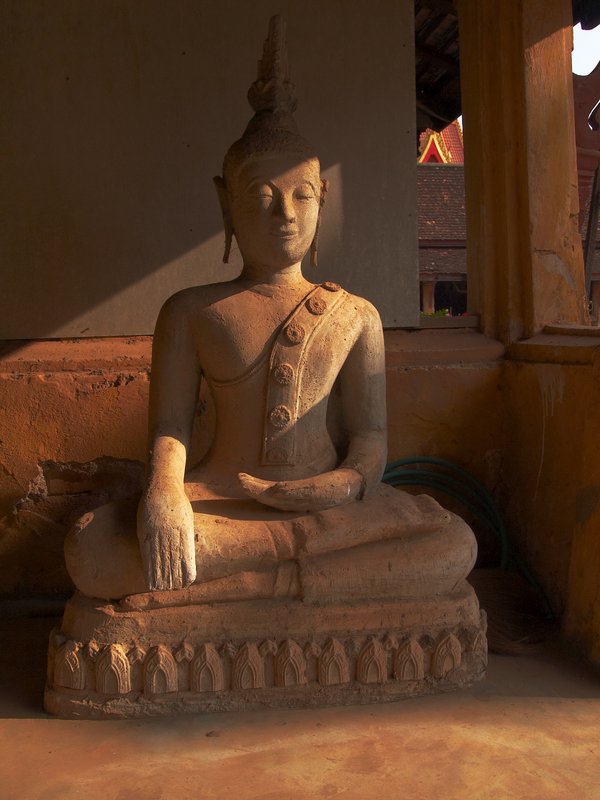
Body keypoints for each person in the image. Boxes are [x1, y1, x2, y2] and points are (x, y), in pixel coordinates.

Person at [65, 16, 476, 604]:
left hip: (329, 510)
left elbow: (371, 439)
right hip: (220, 502)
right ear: (225, 203)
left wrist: (340, 486)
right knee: (91, 549)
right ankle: (287, 580)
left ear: (321, 203)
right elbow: (170, 428)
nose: (284, 211)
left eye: (301, 194)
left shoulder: (356, 315)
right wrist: (164, 496)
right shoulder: (190, 311)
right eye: (261, 195)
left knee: (453, 542)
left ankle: (235, 585)